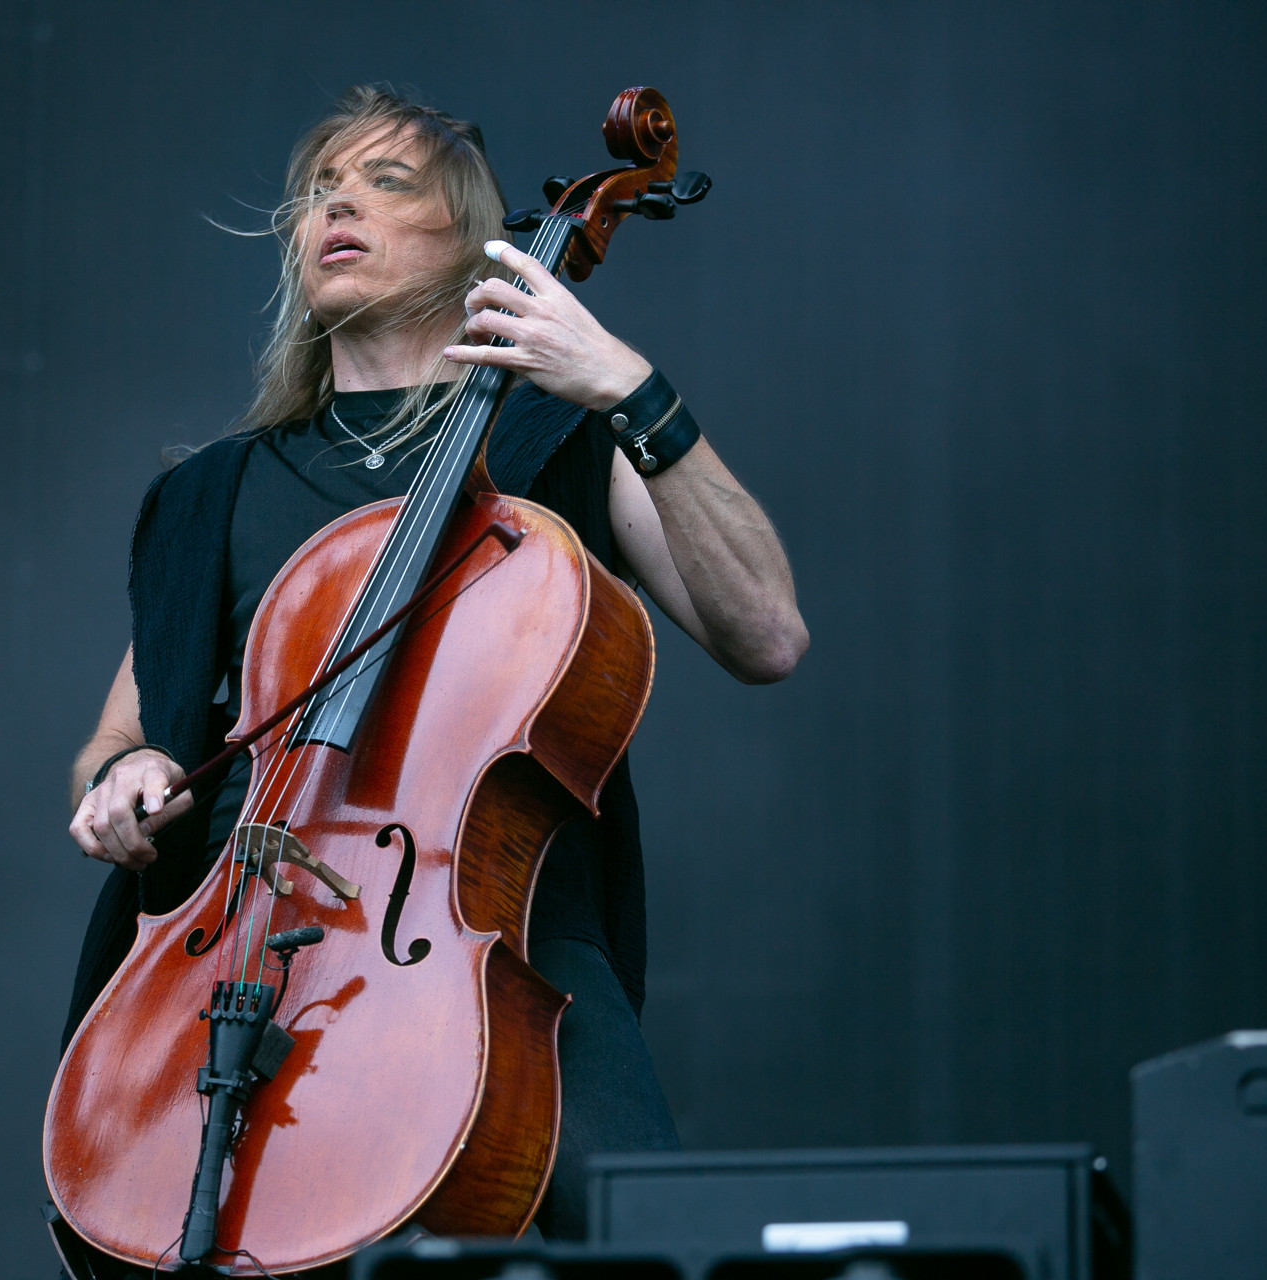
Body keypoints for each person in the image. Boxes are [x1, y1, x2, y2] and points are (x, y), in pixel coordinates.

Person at [61, 85, 808, 1244]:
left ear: (474, 241)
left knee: (656, 1246)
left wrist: (628, 387)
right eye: (317, 190)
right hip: (235, 937)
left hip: (487, 931)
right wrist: (123, 776)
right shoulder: (214, 490)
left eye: (384, 180)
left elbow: (766, 633)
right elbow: (126, 736)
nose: (334, 204)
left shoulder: (554, 438)